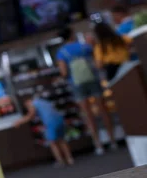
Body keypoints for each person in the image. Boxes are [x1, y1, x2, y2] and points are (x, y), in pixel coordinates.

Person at [56, 27, 116, 155]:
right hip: (93, 79)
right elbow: (96, 61)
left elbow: (64, 72)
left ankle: (98, 145)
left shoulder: (61, 53)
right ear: (72, 34)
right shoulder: (84, 46)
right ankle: (112, 140)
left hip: (77, 84)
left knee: (88, 115)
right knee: (103, 110)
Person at [15, 95, 74, 167]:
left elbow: (31, 115)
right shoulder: (42, 101)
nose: (27, 107)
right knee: (62, 140)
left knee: (53, 143)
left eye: (26, 105)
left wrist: (19, 122)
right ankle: (70, 159)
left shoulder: (33, 103)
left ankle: (60, 161)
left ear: (27, 102)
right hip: (59, 120)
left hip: (50, 122)